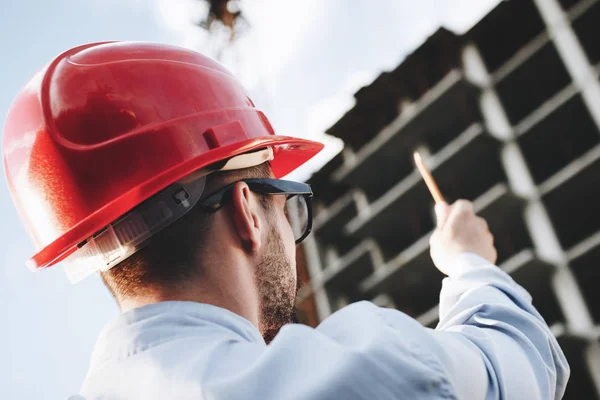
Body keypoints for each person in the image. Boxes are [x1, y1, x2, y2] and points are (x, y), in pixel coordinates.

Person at [3, 42, 568, 400]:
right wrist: (468, 264)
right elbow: (524, 364)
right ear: (247, 209)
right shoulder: (357, 377)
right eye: (287, 203)